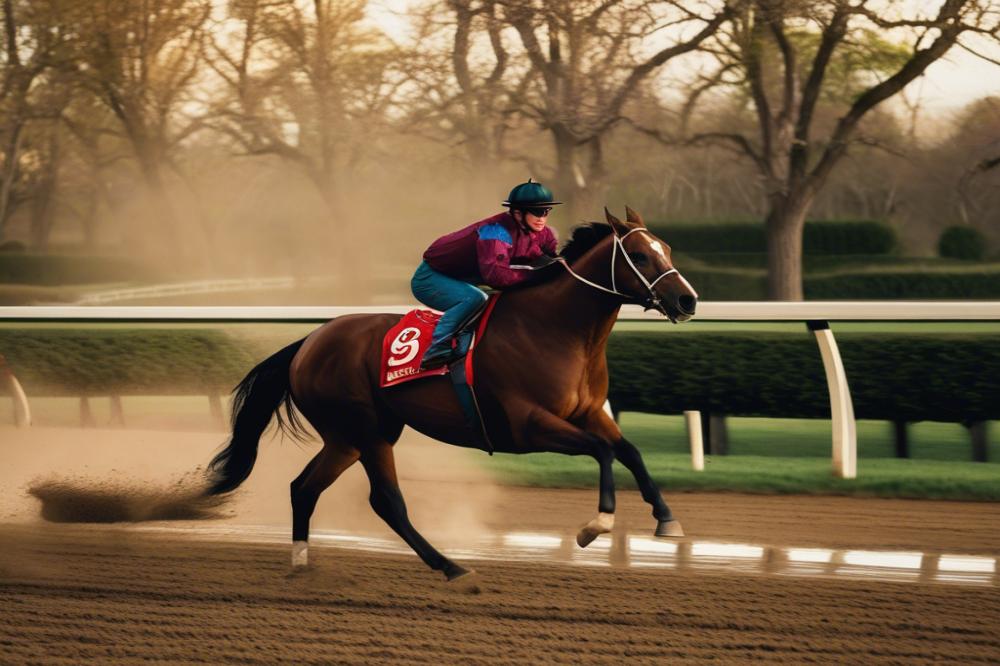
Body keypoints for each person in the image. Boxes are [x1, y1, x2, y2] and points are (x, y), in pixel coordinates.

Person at [412, 178, 561, 369]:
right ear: (517, 213)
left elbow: (551, 261)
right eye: (537, 212)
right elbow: (497, 277)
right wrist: (536, 275)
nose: (542, 218)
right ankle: (437, 349)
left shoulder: (544, 233)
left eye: (546, 211)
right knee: (475, 298)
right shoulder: (495, 232)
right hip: (431, 277)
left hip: (469, 278)